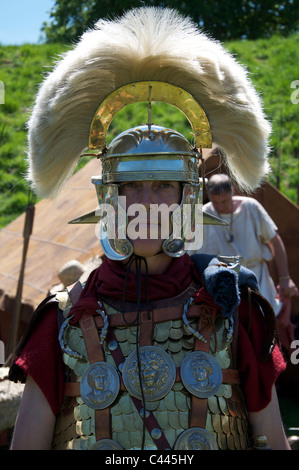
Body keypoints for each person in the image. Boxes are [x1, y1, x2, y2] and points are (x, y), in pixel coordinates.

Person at [9, 7, 290, 450]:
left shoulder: (237, 309)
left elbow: (272, 442)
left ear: (188, 197)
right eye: (132, 186)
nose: (147, 201)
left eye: (163, 185)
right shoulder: (63, 318)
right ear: (109, 199)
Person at [193, 172, 298, 351]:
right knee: (228, 345)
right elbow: (189, 256)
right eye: (215, 202)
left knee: (264, 339)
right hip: (221, 289)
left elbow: (275, 242)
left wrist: (285, 277)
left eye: (224, 202)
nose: (220, 207)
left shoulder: (250, 207)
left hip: (257, 282)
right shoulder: (202, 215)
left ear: (232, 192)